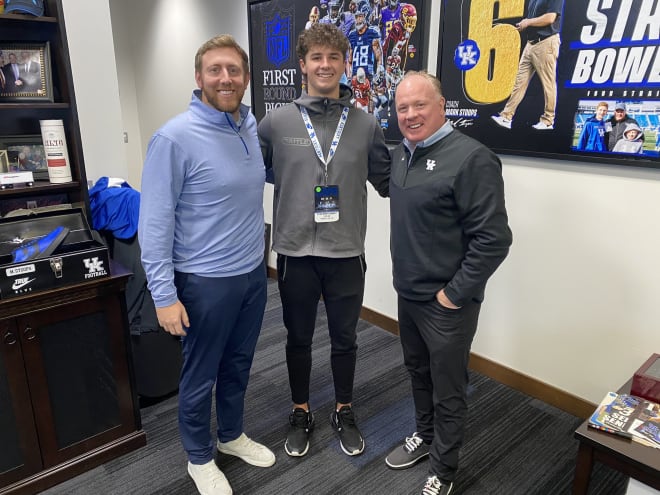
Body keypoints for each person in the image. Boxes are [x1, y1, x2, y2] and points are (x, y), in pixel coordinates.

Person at [138, 34, 275, 495]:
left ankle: (232, 435)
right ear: (198, 78)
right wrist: (164, 296)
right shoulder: (173, 138)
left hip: (252, 275)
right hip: (203, 282)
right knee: (200, 373)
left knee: (238, 364)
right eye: (215, 70)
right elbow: (153, 224)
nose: (225, 78)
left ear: (246, 79)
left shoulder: (249, 128)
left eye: (234, 70)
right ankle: (199, 456)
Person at [258, 23, 390, 458]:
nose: (325, 65)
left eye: (334, 57)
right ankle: (301, 411)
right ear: (303, 66)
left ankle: (343, 409)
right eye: (317, 57)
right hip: (295, 254)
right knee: (296, 339)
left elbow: (389, 181)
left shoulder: (367, 125)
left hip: (346, 252)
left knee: (345, 339)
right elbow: (243, 174)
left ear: (345, 63)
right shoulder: (276, 123)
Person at [386, 71, 512, 495]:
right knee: (417, 372)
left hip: (446, 305)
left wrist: (453, 295)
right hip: (408, 294)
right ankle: (424, 436)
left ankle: (444, 469)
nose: (410, 114)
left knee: (449, 389)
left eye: (419, 105)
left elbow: (494, 239)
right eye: (402, 108)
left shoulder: (472, 158)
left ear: (441, 106)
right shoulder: (403, 154)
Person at [491, 0, 564, 130]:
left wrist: (528, 22)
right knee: (519, 82)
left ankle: (548, 120)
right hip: (530, 44)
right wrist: (525, 24)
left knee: (548, 84)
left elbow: (550, 18)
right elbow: (534, 19)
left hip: (546, 43)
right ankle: (506, 116)